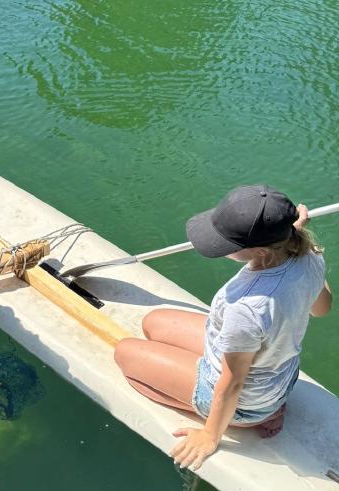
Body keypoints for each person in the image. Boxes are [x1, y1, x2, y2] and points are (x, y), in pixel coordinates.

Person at [113, 185, 331, 470]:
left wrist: (209, 436)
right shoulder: (309, 253)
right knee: (152, 323)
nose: (219, 244)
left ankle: (261, 416)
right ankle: (267, 406)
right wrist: (296, 239)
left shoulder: (247, 309)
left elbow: (233, 382)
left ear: (261, 252)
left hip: (247, 400)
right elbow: (321, 308)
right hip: (279, 374)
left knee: (124, 354)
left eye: (227, 243)